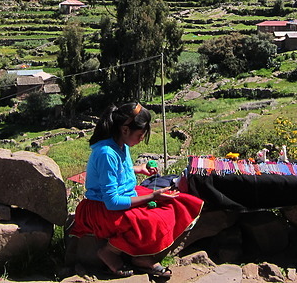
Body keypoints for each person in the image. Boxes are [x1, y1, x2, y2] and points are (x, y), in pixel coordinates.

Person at [70, 102, 203, 279]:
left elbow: (117, 171)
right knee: (149, 221)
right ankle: (110, 251)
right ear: (125, 130)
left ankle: (140, 256)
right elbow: (112, 202)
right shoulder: (106, 153)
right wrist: (151, 197)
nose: (141, 139)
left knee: (175, 201)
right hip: (101, 207)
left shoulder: (119, 145)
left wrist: (138, 168)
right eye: (140, 134)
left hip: (124, 196)